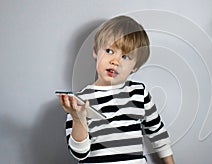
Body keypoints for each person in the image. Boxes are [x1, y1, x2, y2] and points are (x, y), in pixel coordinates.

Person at [58, 15, 175, 164]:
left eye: (125, 57)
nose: (115, 61)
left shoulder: (139, 94)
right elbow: (79, 154)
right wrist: (77, 119)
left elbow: (158, 136)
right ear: (95, 51)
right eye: (109, 51)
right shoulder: (80, 101)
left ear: (135, 66)